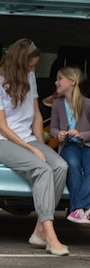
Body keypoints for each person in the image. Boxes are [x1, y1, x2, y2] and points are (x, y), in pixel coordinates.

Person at [0, 38, 69, 256]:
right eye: (30, 66)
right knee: (42, 169)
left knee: (60, 166)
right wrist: (33, 150)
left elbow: (37, 115)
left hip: (26, 137)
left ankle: (39, 229)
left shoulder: (28, 76)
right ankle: (50, 235)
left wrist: (40, 144)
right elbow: (2, 127)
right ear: (18, 63)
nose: (33, 70)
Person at [50, 66, 90, 225]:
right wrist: (57, 134)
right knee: (72, 165)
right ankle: (83, 209)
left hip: (87, 145)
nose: (56, 82)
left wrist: (82, 135)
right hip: (69, 146)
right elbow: (53, 127)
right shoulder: (57, 105)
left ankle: (77, 208)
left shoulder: (87, 104)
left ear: (72, 82)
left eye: (60, 79)